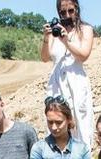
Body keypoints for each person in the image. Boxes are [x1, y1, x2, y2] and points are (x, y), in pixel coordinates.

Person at [41, 0, 95, 143]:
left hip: (76, 81)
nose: (67, 15)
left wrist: (66, 41)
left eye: (70, 11)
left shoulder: (85, 29)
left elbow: (83, 55)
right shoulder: (55, 31)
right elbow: (45, 58)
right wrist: (46, 38)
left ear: (77, 9)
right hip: (56, 83)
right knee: (56, 120)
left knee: (80, 122)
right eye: (63, 12)